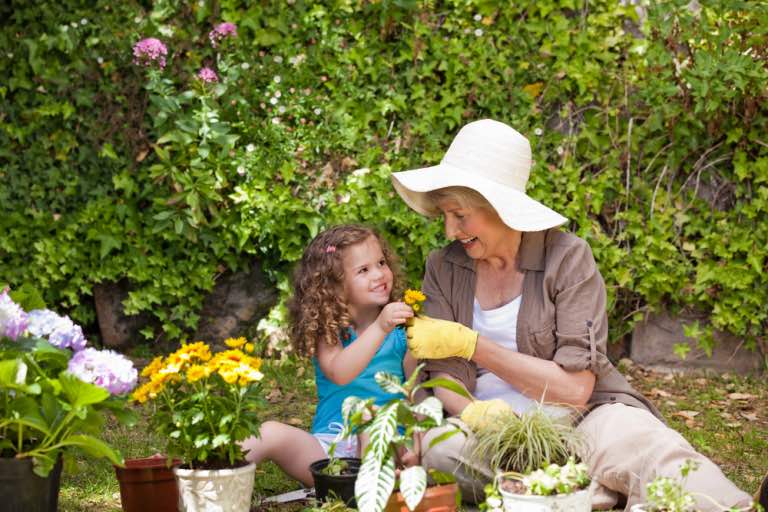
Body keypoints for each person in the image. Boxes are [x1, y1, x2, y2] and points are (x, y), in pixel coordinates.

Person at [389, 119, 759, 510]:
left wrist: (476, 347)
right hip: (487, 432)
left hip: (581, 417)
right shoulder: (444, 267)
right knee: (440, 450)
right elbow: (443, 375)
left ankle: (734, 507)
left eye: (459, 215)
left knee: (648, 445)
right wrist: (480, 416)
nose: (449, 229)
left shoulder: (567, 258)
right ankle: (588, 488)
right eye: (445, 215)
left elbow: (575, 389)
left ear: (499, 207)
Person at [240, 224, 417, 486]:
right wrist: (381, 327)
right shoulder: (331, 330)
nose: (379, 274)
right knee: (268, 433)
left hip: (385, 445)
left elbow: (417, 391)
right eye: (364, 270)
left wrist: (416, 444)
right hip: (327, 452)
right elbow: (339, 372)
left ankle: (369, 494)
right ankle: (206, 471)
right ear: (334, 285)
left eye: (381, 262)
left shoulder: (403, 332)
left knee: (372, 420)